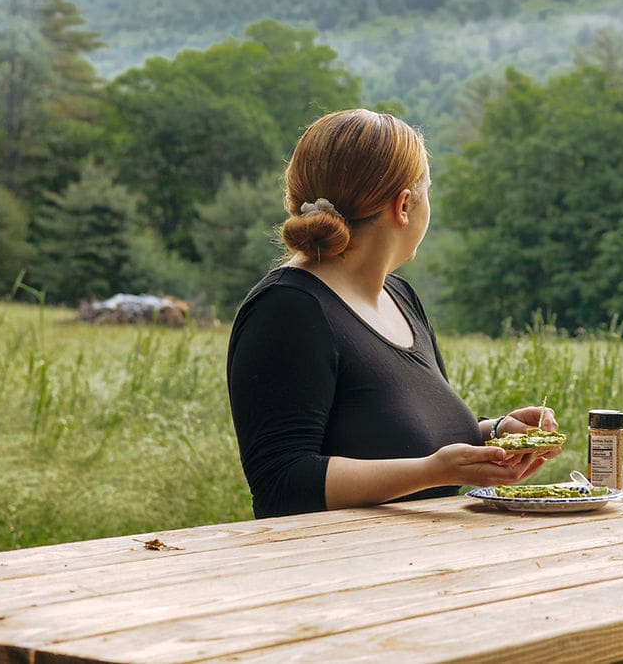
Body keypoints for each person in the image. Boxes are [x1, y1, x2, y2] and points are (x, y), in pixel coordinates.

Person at [226, 108, 559, 517]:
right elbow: (281, 483)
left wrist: (496, 432)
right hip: (340, 557)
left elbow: (397, 438)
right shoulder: (287, 310)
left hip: (423, 554)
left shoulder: (400, 297)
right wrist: (432, 471)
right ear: (403, 206)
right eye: (428, 192)